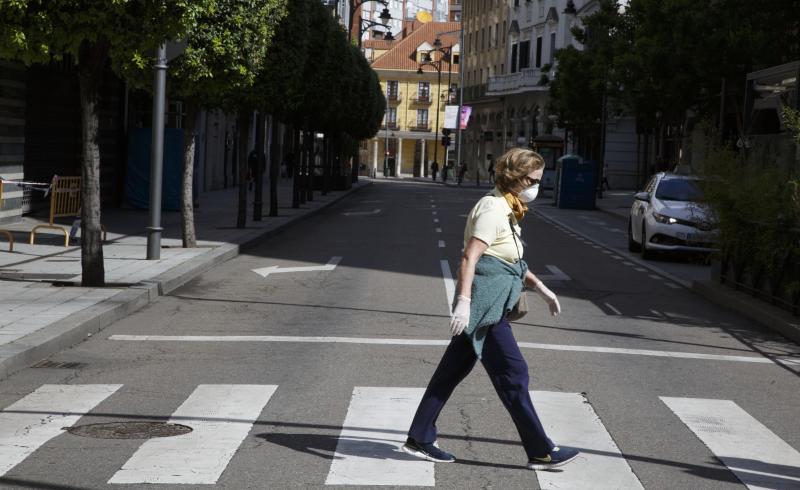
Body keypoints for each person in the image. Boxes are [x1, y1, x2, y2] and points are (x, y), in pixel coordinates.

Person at [402, 148, 580, 470]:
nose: (536, 186)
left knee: (450, 373)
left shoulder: (508, 208)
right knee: (514, 374)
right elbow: (471, 257)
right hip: (485, 310)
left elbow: (510, 261)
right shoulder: (493, 209)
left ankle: (420, 436)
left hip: (491, 306)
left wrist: (541, 288)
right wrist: (464, 304)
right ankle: (541, 451)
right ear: (515, 176)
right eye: (532, 179)